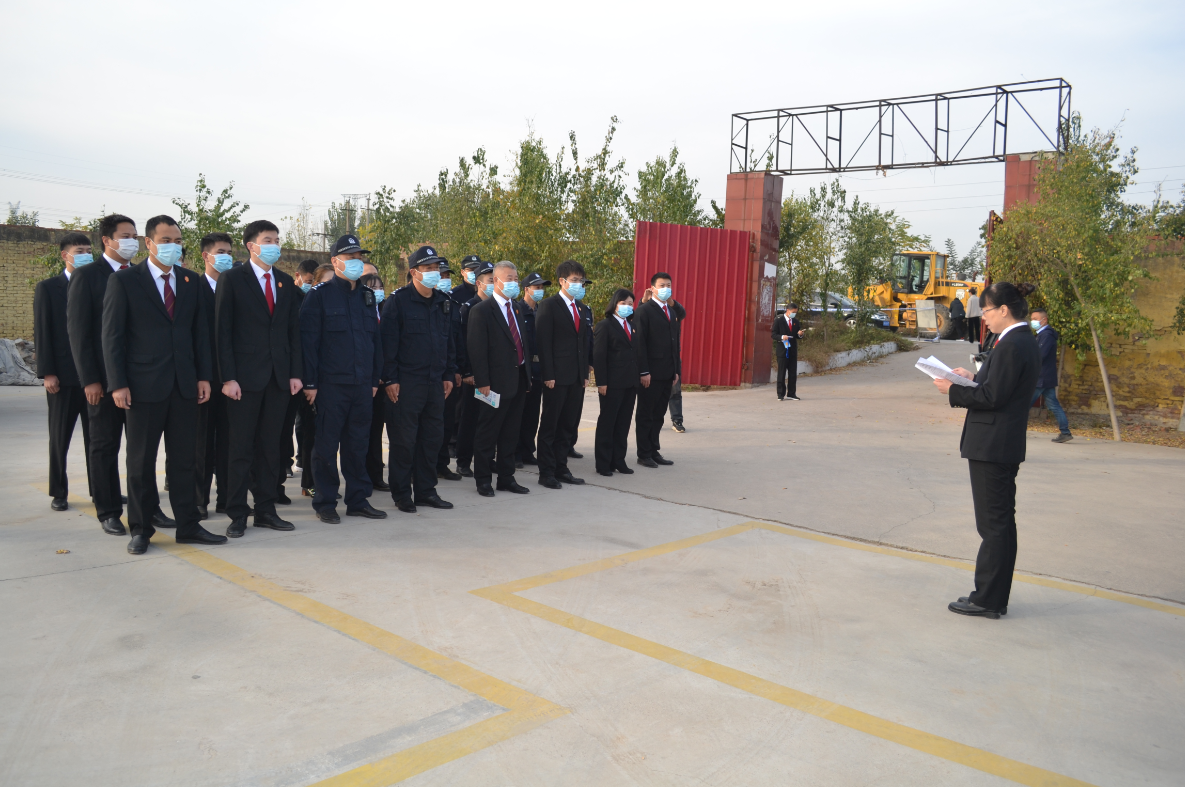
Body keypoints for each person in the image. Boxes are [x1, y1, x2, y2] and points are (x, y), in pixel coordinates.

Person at [101, 214, 226, 554]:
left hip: (184, 386)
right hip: (142, 387)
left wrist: (203, 376)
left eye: (178, 241)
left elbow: (200, 333)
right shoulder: (125, 281)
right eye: (166, 241)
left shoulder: (189, 281)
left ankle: (188, 525)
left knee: (185, 460)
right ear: (149, 243)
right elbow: (112, 337)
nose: (173, 246)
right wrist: (118, 384)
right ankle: (141, 529)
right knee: (140, 462)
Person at [933, 282, 1040, 619]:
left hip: (993, 445)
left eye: (988, 311)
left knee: (993, 526)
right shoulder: (1021, 340)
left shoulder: (1012, 344)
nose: (985, 318)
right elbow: (999, 387)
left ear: (1004, 310)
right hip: (1001, 443)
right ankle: (994, 596)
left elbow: (993, 397)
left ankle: (987, 600)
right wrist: (972, 377)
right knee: (1001, 523)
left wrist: (952, 390)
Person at [213, 219, 303, 538]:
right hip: (243, 380)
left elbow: (292, 331)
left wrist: (295, 373)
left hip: (278, 379)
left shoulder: (284, 282)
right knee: (241, 448)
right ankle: (237, 511)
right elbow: (222, 332)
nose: (274, 245)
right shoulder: (232, 279)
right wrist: (228, 378)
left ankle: (266, 509)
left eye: (277, 240)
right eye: (268, 240)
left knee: (270, 448)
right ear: (251, 246)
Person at [300, 234, 387, 523]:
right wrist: (310, 383)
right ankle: (325, 502)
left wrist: (374, 379)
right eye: (351, 258)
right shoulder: (320, 295)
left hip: (362, 385)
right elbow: (308, 343)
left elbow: (375, 341)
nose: (356, 263)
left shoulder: (367, 296)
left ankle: (358, 500)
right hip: (331, 385)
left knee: (358, 444)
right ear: (335, 261)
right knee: (326, 446)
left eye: (359, 258)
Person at [68, 213, 138, 536]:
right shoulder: (87, 276)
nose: (132, 242)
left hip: (140, 379)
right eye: (125, 236)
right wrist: (90, 380)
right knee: (104, 445)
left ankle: (146, 507)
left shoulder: (139, 275)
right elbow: (79, 333)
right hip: (104, 381)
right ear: (107, 240)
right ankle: (108, 510)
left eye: (135, 236)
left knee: (140, 449)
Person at [382, 245, 457, 512]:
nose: (434, 272)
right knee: (404, 442)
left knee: (431, 440)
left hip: (435, 382)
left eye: (436, 268)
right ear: (414, 272)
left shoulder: (443, 301)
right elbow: (387, 345)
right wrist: (390, 379)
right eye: (428, 268)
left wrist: (448, 373)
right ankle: (402, 493)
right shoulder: (398, 301)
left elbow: (448, 342)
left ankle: (426, 491)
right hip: (406, 384)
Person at [35, 232, 94, 511]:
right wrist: (47, 373)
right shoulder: (48, 288)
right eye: (79, 251)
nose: (85, 255)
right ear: (65, 255)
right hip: (62, 377)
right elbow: (42, 331)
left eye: (88, 250)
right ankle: (59, 492)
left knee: (98, 440)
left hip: (93, 378)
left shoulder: (97, 285)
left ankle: (101, 490)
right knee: (60, 438)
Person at [467, 261, 532, 497]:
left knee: (510, 433)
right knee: (488, 433)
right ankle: (483, 479)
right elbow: (477, 349)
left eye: (516, 279)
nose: (514, 283)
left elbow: (521, 344)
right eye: (509, 279)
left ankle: (506, 478)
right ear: (496, 280)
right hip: (492, 384)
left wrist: (527, 377)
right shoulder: (482, 311)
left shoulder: (517, 309)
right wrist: (483, 382)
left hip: (517, 381)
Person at [535, 260, 593, 489]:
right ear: (562, 281)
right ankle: (546, 472)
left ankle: (561, 468)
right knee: (550, 425)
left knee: (568, 426)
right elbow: (543, 343)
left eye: (581, 281)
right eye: (575, 280)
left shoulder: (581, 308)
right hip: (556, 378)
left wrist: (585, 372)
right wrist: (548, 374)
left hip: (576, 377)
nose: (579, 284)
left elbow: (583, 343)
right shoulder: (549, 306)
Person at [194, 232, 234, 519]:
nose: (226, 257)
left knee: (230, 442)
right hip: (203, 380)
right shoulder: (193, 288)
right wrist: (201, 376)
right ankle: (199, 499)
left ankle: (227, 498)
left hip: (232, 379)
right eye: (221, 252)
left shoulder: (236, 286)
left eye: (229, 252)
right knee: (202, 443)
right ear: (206, 256)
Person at [633, 271, 682, 468]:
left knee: (659, 414)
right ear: (652, 288)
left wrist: (676, 370)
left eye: (668, 285)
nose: (666, 289)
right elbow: (640, 344)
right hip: (650, 373)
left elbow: (675, 343)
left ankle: (654, 450)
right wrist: (643, 371)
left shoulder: (671, 311)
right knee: (646, 414)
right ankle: (644, 453)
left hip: (667, 372)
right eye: (662, 285)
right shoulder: (644, 311)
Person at [453, 263, 495, 477]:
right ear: (479, 283)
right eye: (490, 280)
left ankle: (487, 459)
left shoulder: (498, 306)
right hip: (475, 376)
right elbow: (464, 342)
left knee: (489, 420)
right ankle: (463, 461)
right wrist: (468, 372)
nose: (494, 284)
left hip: (493, 374)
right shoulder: (469, 307)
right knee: (470, 419)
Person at [593, 289, 640, 476]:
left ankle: (618, 460)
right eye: (623, 303)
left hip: (630, 382)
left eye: (630, 303)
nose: (627, 306)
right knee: (608, 423)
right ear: (614, 304)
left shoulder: (631, 325)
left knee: (623, 424)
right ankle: (603, 463)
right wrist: (601, 382)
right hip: (612, 383)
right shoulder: (605, 325)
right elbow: (599, 355)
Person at [288, 259, 320, 499]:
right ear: (298, 276)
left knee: (315, 432)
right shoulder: (292, 298)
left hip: (320, 377)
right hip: (297, 375)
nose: (312, 286)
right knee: (300, 426)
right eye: (310, 281)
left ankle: (312, 482)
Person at [360, 272, 393, 492]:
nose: (378, 292)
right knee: (362, 432)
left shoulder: (384, 311)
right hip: (365, 381)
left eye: (380, 287)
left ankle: (376, 474)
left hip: (382, 382)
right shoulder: (361, 312)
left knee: (377, 431)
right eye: (373, 288)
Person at [435, 258, 464, 482]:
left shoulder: (451, 304)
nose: (445, 279)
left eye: (447, 276)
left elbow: (455, 341)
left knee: (445, 422)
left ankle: (442, 464)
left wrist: (455, 369)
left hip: (447, 373)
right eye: (441, 275)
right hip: (425, 374)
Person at [516, 271, 549, 466]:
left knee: (532, 414)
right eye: (537, 287)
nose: (540, 290)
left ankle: (528, 450)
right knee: (518, 414)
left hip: (539, 369)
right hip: (523, 369)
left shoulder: (542, 311)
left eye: (542, 287)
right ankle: (515, 453)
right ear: (526, 289)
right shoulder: (518, 310)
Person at [1029, 308, 1072, 443]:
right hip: (1045, 377)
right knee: (1053, 405)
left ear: (1044, 320)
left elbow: (1040, 356)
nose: (1033, 321)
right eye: (1032, 319)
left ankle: (1013, 430)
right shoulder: (1042, 335)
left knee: (1024, 403)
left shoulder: (1046, 335)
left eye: (1035, 319)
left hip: (1041, 377)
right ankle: (1065, 432)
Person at [772, 303, 804, 401]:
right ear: (788, 310)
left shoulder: (795, 321)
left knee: (793, 373)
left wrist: (800, 334)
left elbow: (797, 335)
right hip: (782, 350)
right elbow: (773, 334)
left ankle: (791, 393)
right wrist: (782, 337)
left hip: (792, 350)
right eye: (793, 312)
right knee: (781, 373)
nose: (794, 314)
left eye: (796, 312)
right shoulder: (779, 321)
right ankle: (780, 394)